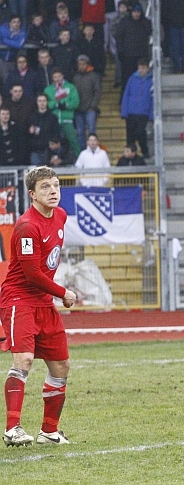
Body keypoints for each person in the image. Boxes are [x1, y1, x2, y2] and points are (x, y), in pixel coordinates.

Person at [0, 167, 75, 447]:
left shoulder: (61, 216)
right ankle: (12, 429)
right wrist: (63, 292)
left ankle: (49, 432)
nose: (53, 191)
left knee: (61, 365)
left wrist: (54, 294)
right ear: (32, 194)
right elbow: (31, 274)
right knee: (24, 360)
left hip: (43, 301)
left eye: (56, 185)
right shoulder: (26, 226)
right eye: (45, 187)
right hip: (19, 299)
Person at [120, 61, 153, 158]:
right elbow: (126, 95)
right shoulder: (132, 79)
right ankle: (130, 155)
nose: (141, 70)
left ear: (148, 69)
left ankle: (145, 152)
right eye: (140, 68)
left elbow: (153, 99)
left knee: (140, 132)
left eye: (143, 68)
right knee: (130, 135)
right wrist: (124, 111)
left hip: (143, 112)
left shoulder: (151, 81)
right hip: (131, 112)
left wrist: (151, 115)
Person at [43, 68, 78, 156]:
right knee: (53, 143)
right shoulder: (48, 89)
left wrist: (66, 105)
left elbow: (75, 102)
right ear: (52, 78)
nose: (57, 78)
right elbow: (46, 103)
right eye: (55, 77)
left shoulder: (71, 87)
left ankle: (79, 160)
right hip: (53, 121)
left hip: (66, 119)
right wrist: (55, 104)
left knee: (73, 141)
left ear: (63, 76)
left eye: (59, 76)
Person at [72, 54, 100, 151]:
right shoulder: (75, 77)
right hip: (78, 109)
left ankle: (92, 150)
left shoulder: (93, 76)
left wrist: (93, 105)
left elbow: (97, 91)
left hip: (90, 109)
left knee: (91, 131)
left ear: (87, 64)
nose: (81, 66)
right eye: (79, 64)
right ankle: (83, 152)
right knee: (80, 132)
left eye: (83, 64)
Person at [162, 0, 184, 74]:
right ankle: (177, 67)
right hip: (173, 27)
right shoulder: (168, 0)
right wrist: (171, 21)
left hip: (183, 26)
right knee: (175, 47)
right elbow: (165, 13)